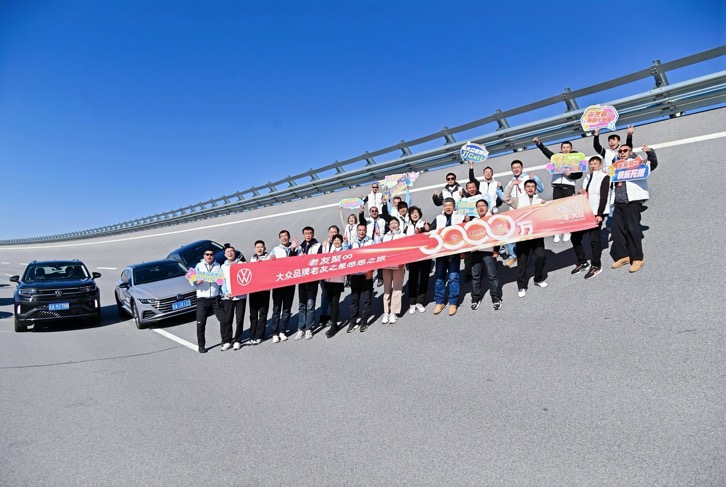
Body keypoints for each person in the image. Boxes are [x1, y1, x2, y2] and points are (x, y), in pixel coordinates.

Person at [609, 144, 659, 273]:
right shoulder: (615, 166)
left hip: (632, 201)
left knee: (632, 229)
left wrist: (650, 153)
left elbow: (652, 164)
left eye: (625, 150)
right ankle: (624, 256)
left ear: (630, 152)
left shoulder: (637, 163)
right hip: (618, 201)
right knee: (616, 229)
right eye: (620, 151)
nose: (622, 152)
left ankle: (638, 258)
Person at [533, 137, 583, 242]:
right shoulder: (556, 158)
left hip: (568, 186)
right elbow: (547, 152)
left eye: (568, 147)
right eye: (564, 147)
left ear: (571, 149)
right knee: (556, 210)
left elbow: (580, 174)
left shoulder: (575, 159)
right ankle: (558, 231)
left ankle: (567, 230)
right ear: (561, 149)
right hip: (557, 186)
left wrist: (570, 175)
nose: (566, 149)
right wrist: (539, 144)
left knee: (568, 210)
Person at [504, 179, 548, 298]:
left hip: (536, 235)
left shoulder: (539, 201)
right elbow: (505, 198)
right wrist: (511, 185)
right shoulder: (519, 200)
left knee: (541, 256)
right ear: (524, 188)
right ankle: (522, 286)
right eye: (528, 186)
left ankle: (538, 279)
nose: (530, 188)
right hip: (523, 235)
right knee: (522, 261)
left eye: (532, 186)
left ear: (535, 188)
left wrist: (546, 205)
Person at [570, 156, 610, 279]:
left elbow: (604, 196)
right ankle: (583, 262)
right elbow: (586, 195)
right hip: (585, 212)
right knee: (575, 237)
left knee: (594, 240)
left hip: (596, 212)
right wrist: (582, 193)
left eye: (595, 163)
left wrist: (600, 214)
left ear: (600, 165)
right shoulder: (587, 178)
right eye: (591, 164)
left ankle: (596, 265)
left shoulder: (604, 177)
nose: (592, 166)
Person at [501, 160, 544, 268]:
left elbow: (540, 189)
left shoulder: (528, 178)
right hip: (513, 211)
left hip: (526, 212)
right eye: (514, 168)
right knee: (511, 234)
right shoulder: (511, 182)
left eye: (518, 167)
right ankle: (513, 256)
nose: (516, 169)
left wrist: (535, 178)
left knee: (526, 234)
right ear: (512, 170)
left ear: (522, 168)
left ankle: (528, 255)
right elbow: (504, 197)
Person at [428, 198, 466, 316]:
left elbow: (466, 233)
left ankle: (453, 302)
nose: (448, 207)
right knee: (439, 278)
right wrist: (426, 229)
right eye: (446, 205)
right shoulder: (438, 218)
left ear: (454, 207)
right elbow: (431, 233)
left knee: (454, 277)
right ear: (443, 207)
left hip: (454, 252)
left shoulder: (460, 217)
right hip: (441, 253)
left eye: (450, 205)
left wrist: (463, 251)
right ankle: (439, 302)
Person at [191, 248, 226, 353]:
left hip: (215, 297)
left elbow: (222, 280)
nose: (209, 256)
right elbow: (191, 279)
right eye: (207, 254)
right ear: (204, 256)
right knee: (201, 323)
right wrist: (196, 282)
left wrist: (219, 281)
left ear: (213, 256)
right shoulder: (199, 266)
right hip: (202, 298)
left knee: (224, 320)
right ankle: (201, 345)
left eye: (211, 254)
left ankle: (225, 340)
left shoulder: (218, 266)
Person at [470, 199, 503, 311]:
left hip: (489, 251)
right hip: (475, 251)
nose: (481, 208)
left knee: (492, 276)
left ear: (487, 207)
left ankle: (496, 297)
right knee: (475, 276)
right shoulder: (473, 220)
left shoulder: (492, 219)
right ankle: (475, 298)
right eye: (478, 206)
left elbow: (497, 235)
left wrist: (496, 250)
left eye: (483, 205)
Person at [269, 230, 297, 343]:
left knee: (286, 309)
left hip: (290, 283)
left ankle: (282, 331)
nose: (284, 238)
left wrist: (294, 250)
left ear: (289, 237)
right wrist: (271, 258)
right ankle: (275, 332)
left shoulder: (295, 248)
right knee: (276, 310)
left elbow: (300, 261)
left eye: (286, 236)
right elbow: (267, 262)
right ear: (279, 238)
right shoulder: (276, 250)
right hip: (278, 284)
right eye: (282, 236)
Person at [294, 226, 321, 340]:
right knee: (302, 305)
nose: (308, 235)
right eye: (306, 233)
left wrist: (308, 258)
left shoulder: (318, 246)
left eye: (310, 233)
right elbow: (293, 261)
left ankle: (309, 328)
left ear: (313, 234)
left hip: (313, 279)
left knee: (310, 305)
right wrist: (293, 249)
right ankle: (301, 328)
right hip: (302, 279)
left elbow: (320, 259)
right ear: (303, 235)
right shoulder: (300, 248)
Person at [347, 223, 374, 332]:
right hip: (355, 275)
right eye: (359, 230)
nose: (361, 232)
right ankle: (353, 322)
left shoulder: (370, 242)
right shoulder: (352, 242)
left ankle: (364, 321)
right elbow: (347, 255)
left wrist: (371, 270)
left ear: (366, 231)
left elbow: (374, 257)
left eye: (363, 230)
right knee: (354, 299)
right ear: (357, 231)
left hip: (366, 274)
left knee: (366, 300)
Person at [220, 244, 247, 351]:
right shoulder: (223, 267)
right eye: (228, 252)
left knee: (239, 319)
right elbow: (222, 281)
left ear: (235, 253)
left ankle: (237, 340)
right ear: (225, 255)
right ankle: (227, 340)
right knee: (228, 319)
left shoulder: (241, 264)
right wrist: (226, 292)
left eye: (232, 251)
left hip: (241, 297)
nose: (230, 253)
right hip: (229, 298)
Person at [380, 217, 407, 324]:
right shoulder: (385, 237)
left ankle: (393, 312)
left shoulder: (403, 236)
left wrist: (403, 261)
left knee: (397, 289)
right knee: (386, 289)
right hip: (386, 266)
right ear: (389, 226)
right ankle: (386, 312)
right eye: (392, 223)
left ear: (399, 225)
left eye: (395, 223)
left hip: (398, 266)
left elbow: (405, 250)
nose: (394, 225)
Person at [405, 205, 430, 314]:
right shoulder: (407, 227)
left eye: (416, 212)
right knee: (412, 279)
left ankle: (420, 301)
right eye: (412, 213)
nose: (414, 214)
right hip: (412, 256)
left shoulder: (424, 223)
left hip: (425, 255)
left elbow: (429, 232)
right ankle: (412, 302)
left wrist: (425, 230)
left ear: (420, 214)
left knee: (424, 278)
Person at [247, 240, 271, 345]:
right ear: (254, 249)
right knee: (253, 314)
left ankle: (260, 336)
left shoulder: (268, 258)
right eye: (257, 247)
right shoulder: (252, 259)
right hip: (253, 290)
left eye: (261, 247)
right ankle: (252, 336)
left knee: (262, 313)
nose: (259, 249)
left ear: (264, 248)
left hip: (264, 290)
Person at [323, 234, 346, 338]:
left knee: (335, 302)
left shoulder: (344, 251)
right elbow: (323, 259)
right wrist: (324, 247)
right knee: (331, 303)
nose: (337, 241)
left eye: (338, 240)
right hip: (328, 280)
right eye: (335, 240)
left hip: (338, 280)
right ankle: (334, 324)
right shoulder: (330, 251)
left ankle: (333, 326)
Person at [317, 225, 339, 328]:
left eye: (335, 232)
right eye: (331, 232)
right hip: (325, 275)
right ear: (328, 233)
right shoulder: (323, 244)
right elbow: (318, 258)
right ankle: (323, 315)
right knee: (325, 294)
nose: (333, 233)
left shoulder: (340, 244)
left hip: (336, 275)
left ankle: (333, 317)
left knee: (334, 296)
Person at [359, 205, 385, 286]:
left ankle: (380, 277)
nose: (374, 212)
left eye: (376, 211)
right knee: (370, 262)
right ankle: (368, 279)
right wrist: (361, 212)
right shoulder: (367, 220)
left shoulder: (382, 221)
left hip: (379, 243)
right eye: (372, 211)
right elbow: (361, 221)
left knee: (379, 262)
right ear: (370, 213)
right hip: (369, 244)